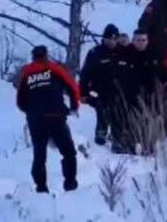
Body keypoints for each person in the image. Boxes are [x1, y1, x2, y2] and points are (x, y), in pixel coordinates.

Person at [16, 45, 79, 193]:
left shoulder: (26, 72)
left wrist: (31, 112)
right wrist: (74, 105)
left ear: (33, 57)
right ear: (46, 55)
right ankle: (70, 183)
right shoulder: (53, 68)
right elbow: (72, 86)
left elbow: (20, 100)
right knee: (68, 152)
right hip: (56, 116)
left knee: (39, 154)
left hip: (36, 119)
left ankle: (41, 187)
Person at [120, 29, 167, 155]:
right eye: (137, 40)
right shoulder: (126, 54)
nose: (140, 43)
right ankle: (130, 146)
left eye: (143, 40)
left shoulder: (154, 54)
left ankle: (150, 146)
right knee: (131, 122)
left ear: (147, 41)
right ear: (133, 40)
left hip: (150, 95)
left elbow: (164, 74)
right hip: (131, 95)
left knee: (149, 121)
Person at [79, 24, 123, 146]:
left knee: (118, 115)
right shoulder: (95, 53)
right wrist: (83, 92)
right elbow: (85, 74)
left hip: (118, 92)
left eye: (115, 39)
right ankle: (101, 134)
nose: (112, 42)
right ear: (104, 38)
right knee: (102, 110)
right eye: (109, 39)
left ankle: (117, 138)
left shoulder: (122, 52)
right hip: (98, 91)